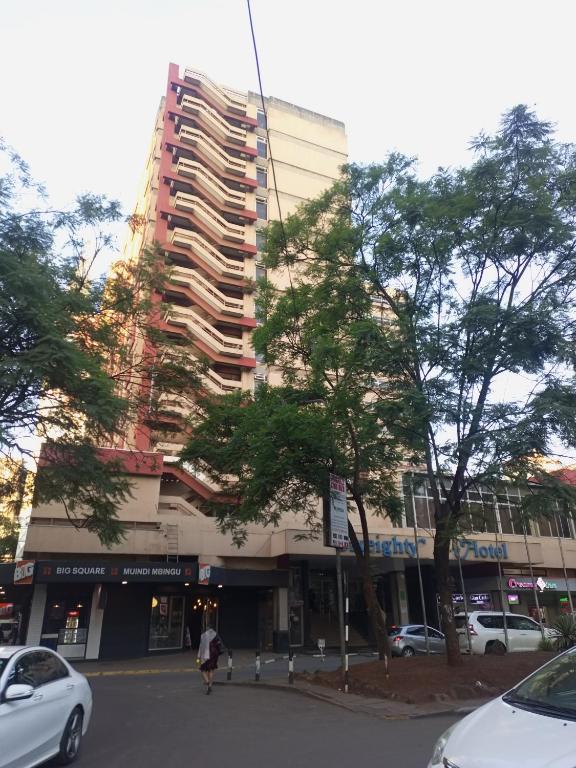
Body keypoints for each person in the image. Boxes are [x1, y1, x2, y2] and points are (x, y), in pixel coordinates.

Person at [197, 626, 224, 694]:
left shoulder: (203, 636)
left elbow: (201, 647)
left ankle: (208, 683)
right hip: (214, 655)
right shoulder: (215, 634)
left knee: (203, 670)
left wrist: (198, 656)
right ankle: (210, 685)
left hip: (206, 656)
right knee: (211, 670)